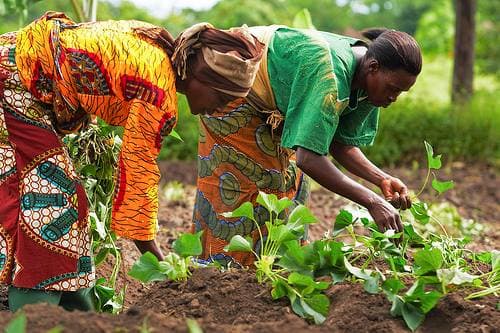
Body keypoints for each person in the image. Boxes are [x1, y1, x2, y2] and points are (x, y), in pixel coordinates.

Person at [0, 12, 263, 311]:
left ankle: (81, 317)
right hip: (12, 83)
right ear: (204, 80)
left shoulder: (157, 43)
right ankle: (32, 313)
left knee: (67, 204)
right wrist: (162, 265)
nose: (221, 109)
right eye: (224, 97)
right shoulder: (158, 92)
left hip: (17, 78)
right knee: (49, 203)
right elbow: (137, 177)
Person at [192, 26, 421, 266]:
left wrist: (381, 179)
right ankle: (219, 273)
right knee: (244, 187)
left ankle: (277, 271)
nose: (394, 97)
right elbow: (309, 158)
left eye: (401, 92)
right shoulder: (330, 73)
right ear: (373, 67)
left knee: (292, 186)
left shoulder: (369, 82)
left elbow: (340, 143)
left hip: (276, 109)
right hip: (234, 89)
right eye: (393, 89)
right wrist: (372, 202)